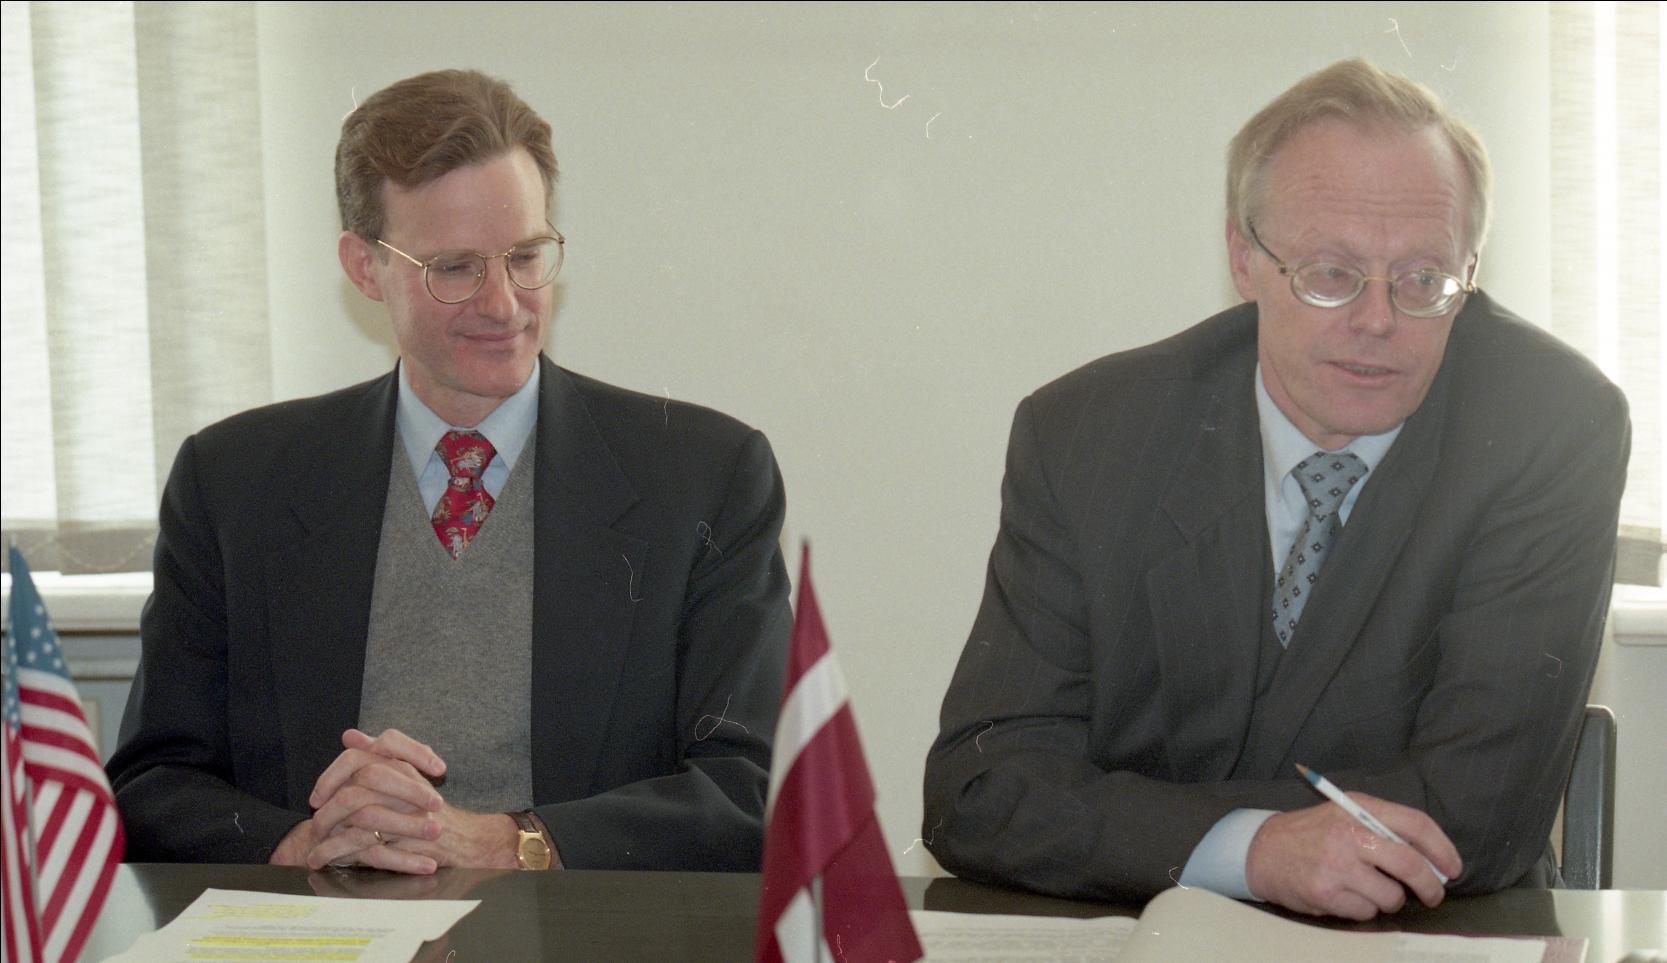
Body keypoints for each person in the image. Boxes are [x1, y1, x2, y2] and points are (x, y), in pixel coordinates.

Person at [922, 58, 1629, 920]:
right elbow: (980, 788)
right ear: (1243, 258)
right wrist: (1249, 850)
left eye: (1421, 280)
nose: (1376, 319)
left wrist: (1126, 818)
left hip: (1428, 933)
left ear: (1469, 272)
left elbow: (1476, 810)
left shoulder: (1547, 424)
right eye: (1330, 273)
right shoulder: (1090, 434)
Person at [107, 69, 791, 874]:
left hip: (579, 928)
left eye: (526, 256)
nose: (503, 303)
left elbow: (751, 790)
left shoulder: (703, 476)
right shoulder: (233, 480)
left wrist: (511, 842)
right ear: (364, 267)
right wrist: (300, 845)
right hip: (325, 927)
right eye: (455, 268)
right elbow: (152, 783)